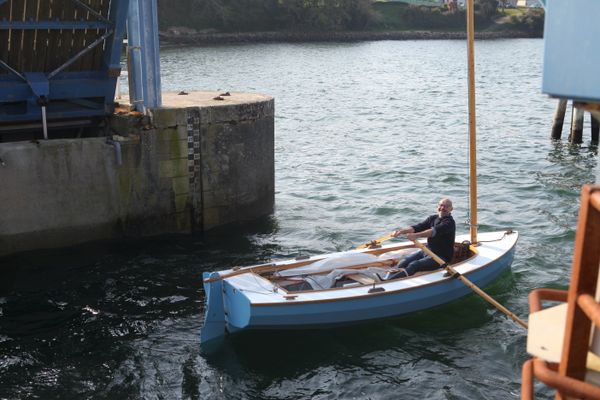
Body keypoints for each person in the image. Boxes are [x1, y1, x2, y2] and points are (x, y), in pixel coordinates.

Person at [388, 198, 456, 278]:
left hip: (441, 257)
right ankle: (388, 277)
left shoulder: (449, 223)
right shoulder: (432, 218)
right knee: (403, 262)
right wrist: (401, 231)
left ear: (451, 209)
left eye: (446, 206)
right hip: (427, 251)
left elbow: (433, 232)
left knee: (414, 265)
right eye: (441, 205)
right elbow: (417, 227)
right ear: (437, 206)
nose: (442, 208)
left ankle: (389, 281)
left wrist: (416, 235)